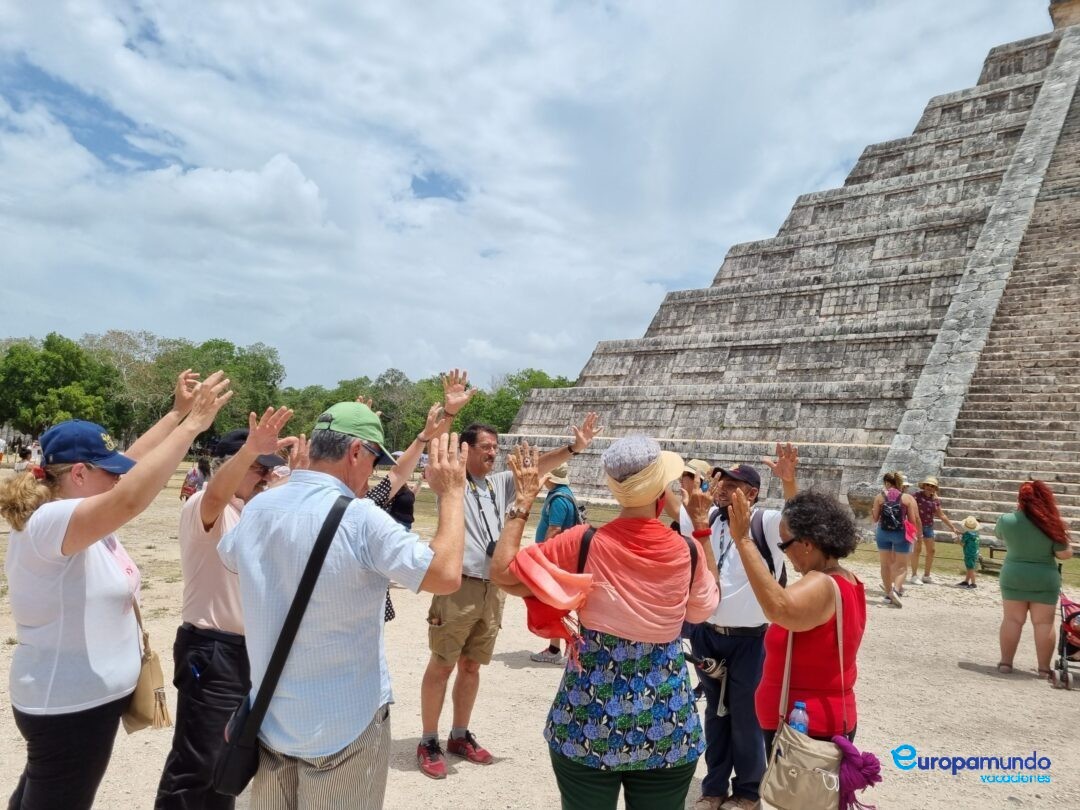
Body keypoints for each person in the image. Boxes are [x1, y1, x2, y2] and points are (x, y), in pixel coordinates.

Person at [217, 402, 469, 809]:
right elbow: (444, 574)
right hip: (344, 725)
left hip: (270, 720)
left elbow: (230, 558)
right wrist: (452, 495)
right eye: (372, 460)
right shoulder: (361, 519)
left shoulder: (259, 508)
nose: (371, 473)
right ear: (355, 452)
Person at [0, 370, 232, 810]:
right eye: (108, 472)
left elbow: (130, 464)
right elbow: (130, 497)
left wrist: (176, 414)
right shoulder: (52, 520)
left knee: (38, 795)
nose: (119, 478)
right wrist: (192, 427)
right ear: (81, 474)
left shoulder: (72, 508)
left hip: (78, 702)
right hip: (67, 707)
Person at [490, 437, 719, 810]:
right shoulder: (687, 552)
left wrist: (522, 504)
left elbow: (502, 573)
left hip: (587, 718)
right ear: (661, 490)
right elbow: (704, 608)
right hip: (667, 720)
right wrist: (701, 528)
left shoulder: (584, 543)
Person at [417, 412, 602, 778]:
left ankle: (458, 733)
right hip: (459, 584)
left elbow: (537, 466)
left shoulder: (495, 485)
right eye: (486, 447)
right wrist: (446, 417)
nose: (493, 453)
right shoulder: (450, 484)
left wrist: (573, 448)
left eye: (495, 447)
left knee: (472, 664)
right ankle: (428, 739)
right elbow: (437, 448)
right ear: (465, 450)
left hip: (493, 587)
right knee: (442, 664)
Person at [155, 408, 295, 810]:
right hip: (212, 649)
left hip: (246, 651)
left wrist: (290, 470)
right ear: (230, 467)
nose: (267, 475)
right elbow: (217, 492)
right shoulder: (207, 504)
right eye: (258, 468)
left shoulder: (255, 510)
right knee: (197, 762)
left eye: (268, 469)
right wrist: (251, 449)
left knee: (228, 764)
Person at [683, 445, 799, 810]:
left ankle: (748, 791)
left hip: (751, 639)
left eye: (732, 483)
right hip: (709, 634)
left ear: (750, 493)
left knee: (747, 716)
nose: (721, 487)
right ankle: (714, 786)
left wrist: (789, 481)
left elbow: (796, 524)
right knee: (715, 715)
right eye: (720, 479)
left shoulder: (763, 522)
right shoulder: (710, 520)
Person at [723, 489, 867, 752]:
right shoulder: (847, 579)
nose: (785, 553)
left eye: (784, 545)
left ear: (808, 544)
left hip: (804, 727)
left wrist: (743, 540)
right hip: (819, 720)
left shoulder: (822, 584)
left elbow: (778, 607)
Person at [995, 480, 1074, 678]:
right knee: (1044, 624)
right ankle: (1043, 669)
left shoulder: (1006, 520)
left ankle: (1006, 663)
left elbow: (1000, 535)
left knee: (1012, 620)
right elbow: (1064, 554)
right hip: (1044, 577)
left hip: (1013, 574)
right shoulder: (1052, 523)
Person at [529, 463, 583, 665]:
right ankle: (556, 647)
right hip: (562, 559)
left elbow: (554, 530)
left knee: (554, 604)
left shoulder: (558, 499)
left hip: (555, 559)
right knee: (555, 604)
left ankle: (567, 645)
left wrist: (540, 556)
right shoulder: (564, 494)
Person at [871, 471, 919, 608]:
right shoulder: (907, 498)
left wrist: (872, 511)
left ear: (886, 483)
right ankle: (896, 590)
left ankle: (888, 593)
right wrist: (913, 534)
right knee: (902, 566)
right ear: (900, 483)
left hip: (883, 532)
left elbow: (875, 519)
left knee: (885, 564)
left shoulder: (879, 497)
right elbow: (912, 520)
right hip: (901, 533)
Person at [909, 476, 959, 584]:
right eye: (928, 485)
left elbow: (941, 515)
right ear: (924, 486)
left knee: (931, 551)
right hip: (917, 526)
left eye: (932, 486)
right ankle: (914, 575)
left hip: (928, 527)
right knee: (917, 550)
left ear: (935, 488)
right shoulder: (916, 496)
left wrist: (953, 527)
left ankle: (926, 575)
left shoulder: (935, 500)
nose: (929, 487)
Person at [958, 516, 981, 589]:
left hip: (968, 553)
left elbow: (963, 544)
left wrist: (957, 541)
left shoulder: (967, 535)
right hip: (975, 553)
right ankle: (966, 581)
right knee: (969, 567)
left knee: (970, 568)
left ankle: (973, 583)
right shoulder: (976, 534)